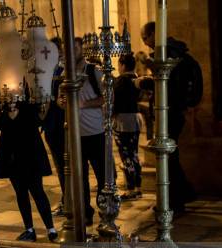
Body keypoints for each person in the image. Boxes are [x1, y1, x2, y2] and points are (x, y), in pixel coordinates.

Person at [138, 22, 200, 212]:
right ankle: (183, 194)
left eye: (146, 38)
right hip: (172, 110)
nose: (146, 43)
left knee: (167, 155)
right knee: (170, 154)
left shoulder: (168, 54)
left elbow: (169, 85)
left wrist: (146, 83)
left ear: (154, 34)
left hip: (170, 111)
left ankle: (176, 200)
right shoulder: (175, 51)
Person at [0, 97, 58, 242]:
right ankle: (29, 229)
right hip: (12, 158)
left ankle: (51, 229)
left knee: (38, 192)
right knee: (21, 193)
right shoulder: (2, 102)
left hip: (30, 156)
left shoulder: (30, 103)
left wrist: (40, 107)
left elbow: (39, 121)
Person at [57, 37, 107, 226]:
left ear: (81, 49)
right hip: (75, 136)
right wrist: (62, 103)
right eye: (67, 48)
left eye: (75, 48)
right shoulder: (64, 73)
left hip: (95, 133)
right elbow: (59, 99)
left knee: (102, 177)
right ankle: (85, 213)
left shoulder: (93, 71)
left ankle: (105, 212)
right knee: (80, 178)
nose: (71, 51)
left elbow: (106, 98)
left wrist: (84, 103)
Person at [41, 37, 66, 217]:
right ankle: (68, 199)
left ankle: (70, 201)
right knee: (61, 165)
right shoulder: (45, 71)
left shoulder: (63, 71)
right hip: (50, 124)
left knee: (66, 165)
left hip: (61, 123)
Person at [114, 53, 143, 200]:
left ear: (123, 65)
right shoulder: (136, 78)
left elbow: (115, 101)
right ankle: (138, 187)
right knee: (134, 154)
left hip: (124, 121)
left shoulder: (121, 81)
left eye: (119, 65)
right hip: (136, 117)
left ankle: (130, 190)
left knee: (126, 156)